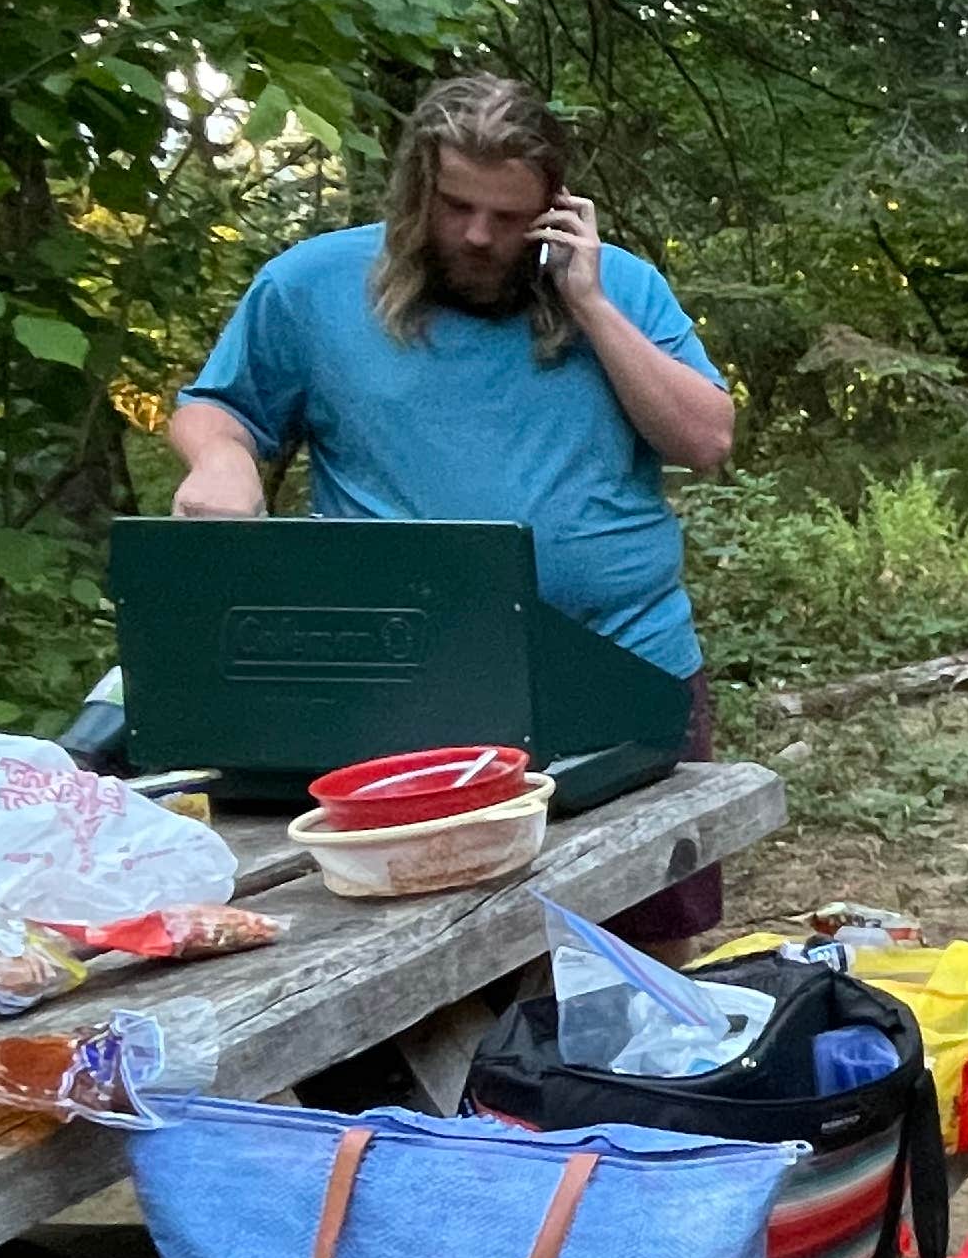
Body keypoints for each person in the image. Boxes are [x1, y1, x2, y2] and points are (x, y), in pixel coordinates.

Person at [168, 74, 739, 949]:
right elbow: (222, 407)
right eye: (456, 207)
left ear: (554, 208)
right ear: (414, 193)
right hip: (404, 680)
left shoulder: (617, 285)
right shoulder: (311, 287)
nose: (478, 236)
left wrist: (587, 304)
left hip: (624, 670)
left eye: (509, 218)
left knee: (644, 944)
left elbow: (704, 439)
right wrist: (220, 458)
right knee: (416, 949)